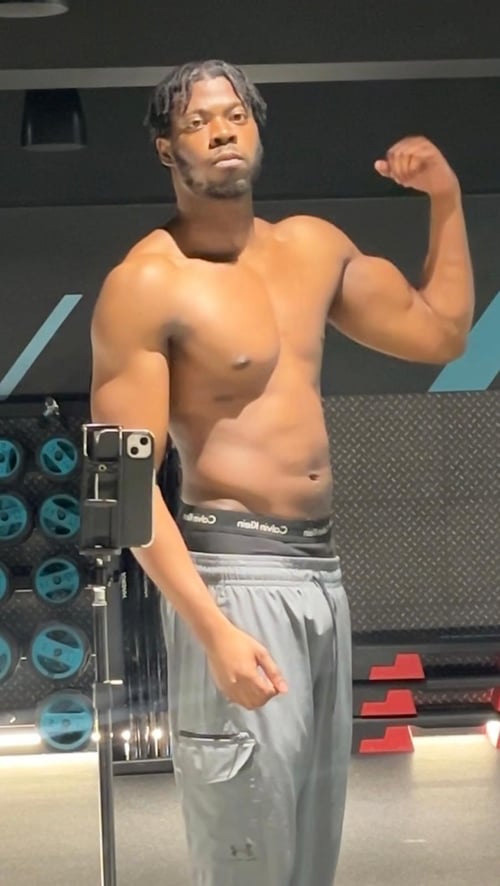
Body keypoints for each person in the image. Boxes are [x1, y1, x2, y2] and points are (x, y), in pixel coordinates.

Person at [90, 60, 474, 886]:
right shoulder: (147, 283)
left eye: (235, 115)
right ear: (166, 149)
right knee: (249, 854)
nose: (221, 131)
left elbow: (442, 334)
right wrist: (212, 631)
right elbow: (121, 494)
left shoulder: (313, 248)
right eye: (198, 121)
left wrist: (446, 197)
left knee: (307, 861)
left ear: (258, 130)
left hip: (321, 576)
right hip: (233, 581)